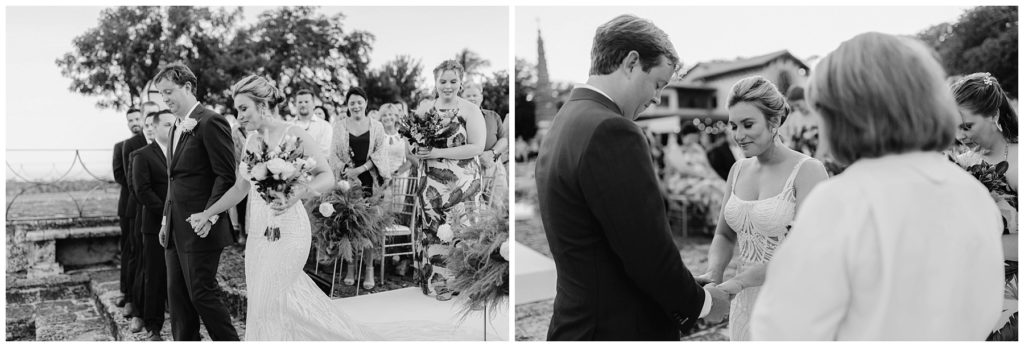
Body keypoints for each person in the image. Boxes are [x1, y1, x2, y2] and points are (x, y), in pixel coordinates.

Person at [750, 32, 1005, 340]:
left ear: (844, 116)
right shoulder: (973, 195)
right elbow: (986, 309)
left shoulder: (841, 202)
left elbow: (782, 330)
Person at [186, 74, 480, 341]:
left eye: (243, 108)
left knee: (272, 296)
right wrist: (208, 213)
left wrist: (298, 193)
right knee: (263, 299)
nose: (239, 116)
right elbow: (240, 187)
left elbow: (326, 175)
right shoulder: (250, 141)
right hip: (259, 233)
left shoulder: (294, 134)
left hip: (290, 229)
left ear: (262, 105)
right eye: (237, 110)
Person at [534, 14, 729, 340]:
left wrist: (686, 284)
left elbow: (610, 244)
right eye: (658, 84)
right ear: (631, 62)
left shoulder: (566, 120)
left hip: (580, 320)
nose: (655, 99)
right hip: (617, 329)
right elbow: (646, 249)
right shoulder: (612, 130)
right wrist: (703, 304)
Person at [693, 76, 829, 341]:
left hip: (791, 300)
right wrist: (714, 272)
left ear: (774, 121)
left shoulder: (808, 171)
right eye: (733, 126)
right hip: (745, 302)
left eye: (747, 124)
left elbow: (803, 253)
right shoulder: (738, 170)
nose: (738, 135)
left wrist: (740, 281)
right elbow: (724, 234)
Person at [153, 63, 240, 341]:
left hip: (201, 225)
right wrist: (165, 220)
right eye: (161, 94)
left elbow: (226, 176)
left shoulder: (211, 121)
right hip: (175, 227)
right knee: (177, 297)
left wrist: (210, 215)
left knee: (202, 293)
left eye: (168, 92)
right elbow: (173, 179)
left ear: (188, 87)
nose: (164, 99)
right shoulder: (176, 126)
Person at [951, 72, 1018, 341]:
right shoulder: (961, 164)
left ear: (993, 115)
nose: (960, 136)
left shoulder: (1018, 161)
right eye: (955, 128)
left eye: (967, 126)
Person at [411, 60, 485, 301]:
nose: (448, 86)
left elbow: (477, 146)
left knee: (464, 229)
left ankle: (468, 283)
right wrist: (418, 151)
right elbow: (410, 148)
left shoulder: (470, 110)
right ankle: (439, 283)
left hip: (463, 182)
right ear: (435, 82)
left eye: (453, 81)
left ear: (461, 82)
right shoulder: (424, 110)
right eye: (443, 81)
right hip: (430, 182)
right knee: (434, 229)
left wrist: (436, 152)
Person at [329, 87, 387, 289]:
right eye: (351, 102)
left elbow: (380, 152)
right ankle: (350, 266)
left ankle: (369, 268)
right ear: (347, 105)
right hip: (347, 181)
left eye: (359, 102)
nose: (355, 106)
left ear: (366, 102)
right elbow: (333, 155)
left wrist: (361, 169)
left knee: (369, 227)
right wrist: (347, 170)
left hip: (370, 179)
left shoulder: (377, 126)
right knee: (348, 225)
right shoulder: (339, 126)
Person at [130, 110, 174, 341]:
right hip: (154, 225)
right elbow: (142, 191)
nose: (172, 127)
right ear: (155, 128)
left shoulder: (182, 152)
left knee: (179, 276)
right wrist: (168, 213)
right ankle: (153, 327)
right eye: (167, 124)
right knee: (154, 277)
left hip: (181, 225)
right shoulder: (142, 155)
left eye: (174, 123)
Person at [118, 107, 147, 323]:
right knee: (131, 250)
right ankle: (128, 295)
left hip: (150, 205)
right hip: (130, 205)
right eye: (132, 120)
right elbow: (121, 175)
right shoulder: (125, 145)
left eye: (138, 118)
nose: (135, 122)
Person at [460, 81, 509, 203]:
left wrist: (492, 153)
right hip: (469, 169)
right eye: (468, 96)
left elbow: (503, 140)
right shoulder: (458, 119)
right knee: (472, 210)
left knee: (499, 208)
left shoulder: (493, 116)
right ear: (462, 98)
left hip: (494, 166)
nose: (472, 98)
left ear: (481, 97)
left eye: (475, 95)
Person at [290, 89, 334, 158]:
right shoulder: (289, 126)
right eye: (300, 102)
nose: (303, 104)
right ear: (296, 104)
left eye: (306, 102)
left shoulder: (325, 126)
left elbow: (325, 153)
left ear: (313, 104)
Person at [378, 103, 411, 178]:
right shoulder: (377, 135)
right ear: (380, 118)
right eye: (384, 115)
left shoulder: (404, 135)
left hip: (400, 179)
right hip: (381, 178)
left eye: (390, 114)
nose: (388, 117)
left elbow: (410, 159)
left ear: (396, 116)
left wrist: (398, 172)